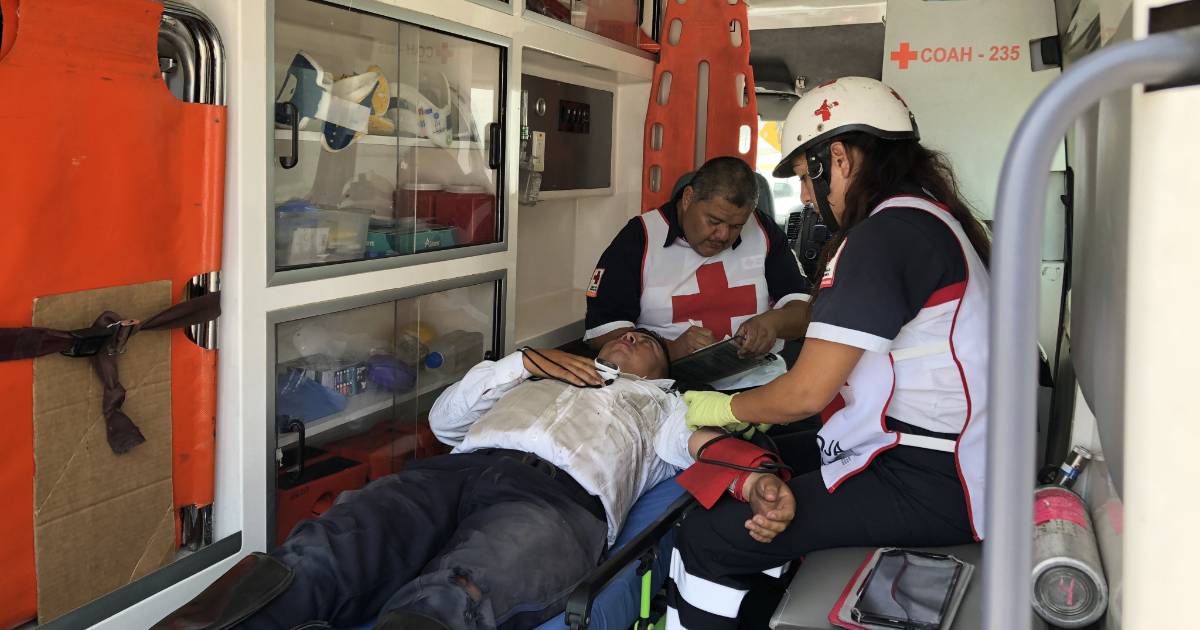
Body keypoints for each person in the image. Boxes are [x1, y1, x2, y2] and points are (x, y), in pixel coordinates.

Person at [664, 76, 993, 629]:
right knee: (766, 456)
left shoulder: (885, 236)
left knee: (707, 536)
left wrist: (722, 408)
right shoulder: (930, 218)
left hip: (933, 479)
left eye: (804, 177)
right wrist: (755, 421)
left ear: (837, 158)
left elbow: (806, 392)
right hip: (944, 457)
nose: (807, 197)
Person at [228, 329, 692, 630]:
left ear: (662, 377)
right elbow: (443, 422)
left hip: (554, 501)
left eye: (647, 344)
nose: (631, 336)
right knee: (327, 546)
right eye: (628, 333)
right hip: (452, 473)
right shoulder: (537, 373)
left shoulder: (664, 406)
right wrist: (521, 365)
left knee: (461, 591)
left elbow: (694, 446)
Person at [584, 156, 811, 391]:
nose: (723, 235)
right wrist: (671, 349)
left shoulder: (763, 230)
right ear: (688, 198)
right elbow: (601, 332)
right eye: (714, 221)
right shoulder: (640, 237)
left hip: (760, 385)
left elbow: (804, 312)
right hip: (670, 392)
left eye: (736, 226)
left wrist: (773, 322)